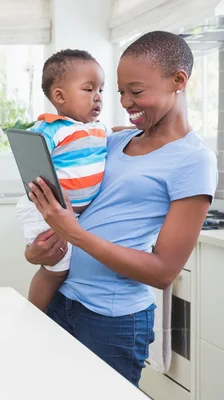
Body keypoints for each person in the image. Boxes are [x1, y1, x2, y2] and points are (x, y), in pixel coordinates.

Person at [25, 31, 218, 386]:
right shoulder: (116, 139)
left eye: (137, 91)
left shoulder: (195, 160)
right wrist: (41, 249)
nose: (126, 102)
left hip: (111, 319)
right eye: (121, 92)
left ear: (179, 80)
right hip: (62, 297)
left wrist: (75, 235)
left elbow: (163, 272)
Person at [15, 49, 109, 311]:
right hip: (44, 210)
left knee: (64, 265)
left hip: (70, 214)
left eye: (101, 89)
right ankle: (33, 316)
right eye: (89, 89)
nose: (98, 97)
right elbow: (31, 155)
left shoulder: (99, 128)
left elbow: (114, 136)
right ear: (59, 96)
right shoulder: (52, 127)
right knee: (56, 268)